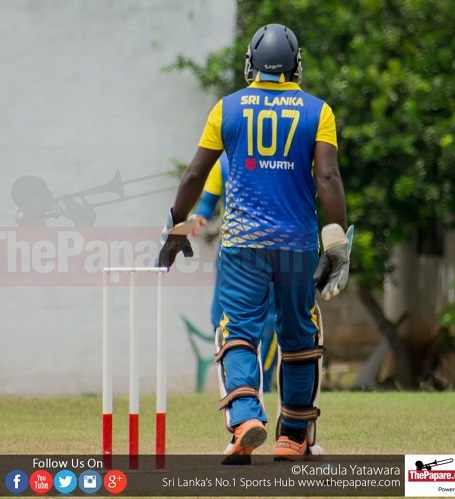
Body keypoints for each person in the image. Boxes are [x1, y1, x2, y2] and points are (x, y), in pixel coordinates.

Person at [157, 24, 352, 463]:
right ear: (295, 66)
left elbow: (195, 174)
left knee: (237, 332)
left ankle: (246, 419)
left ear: (252, 64)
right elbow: (327, 177)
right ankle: (293, 437)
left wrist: (175, 224)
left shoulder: (226, 109)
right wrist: (337, 240)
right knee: (299, 335)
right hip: (297, 245)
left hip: (243, 244)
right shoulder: (318, 111)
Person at [192, 152, 278, 393]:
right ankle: (235, 383)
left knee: (269, 319)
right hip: (231, 251)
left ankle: (262, 384)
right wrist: (199, 216)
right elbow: (208, 201)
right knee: (219, 317)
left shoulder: (277, 158)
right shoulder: (223, 163)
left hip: (271, 250)